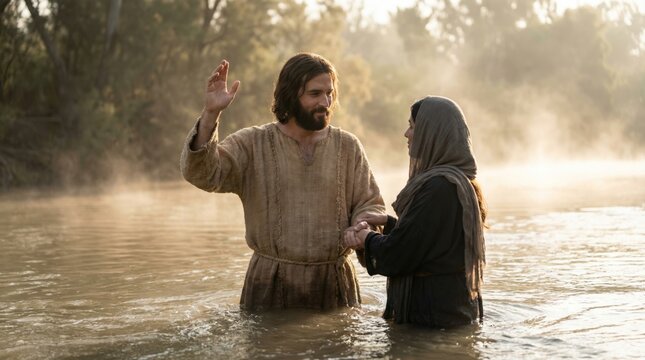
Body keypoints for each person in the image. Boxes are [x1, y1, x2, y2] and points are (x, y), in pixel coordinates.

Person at [180, 53, 385, 310]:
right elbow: (205, 174)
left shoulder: (348, 146)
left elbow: (370, 203)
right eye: (315, 94)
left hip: (334, 286)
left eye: (329, 93)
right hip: (269, 285)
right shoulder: (254, 143)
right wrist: (211, 114)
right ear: (290, 95)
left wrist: (362, 226)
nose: (326, 102)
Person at [343, 96, 486, 328]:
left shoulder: (438, 187)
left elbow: (400, 255)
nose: (406, 134)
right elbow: (429, 239)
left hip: (432, 318)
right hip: (451, 311)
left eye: (412, 126)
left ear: (432, 134)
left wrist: (365, 238)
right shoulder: (455, 181)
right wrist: (388, 223)